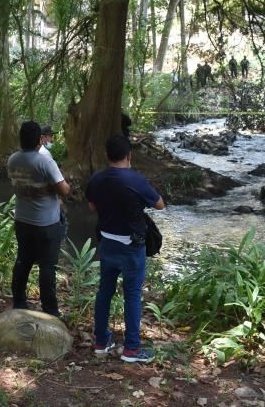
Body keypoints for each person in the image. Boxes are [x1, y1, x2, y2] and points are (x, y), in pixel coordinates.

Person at [86, 135, 166, 363]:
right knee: (132, 294)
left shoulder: (97, 179)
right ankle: (131, 349)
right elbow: (160, 205)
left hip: (107, 243)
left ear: (107, 156)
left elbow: (92, 205)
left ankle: (101, 342)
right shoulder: (136, 179)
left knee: (105, 292)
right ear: (129, 155)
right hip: (131, 247)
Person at [7, 121, 70, 317]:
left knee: (23, 261)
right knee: (47, 265)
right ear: (38, 141)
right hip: (46, 222)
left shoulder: (12, 159)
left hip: (22, 219)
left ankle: (19, 302)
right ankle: (50, 310)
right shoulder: (44, 161)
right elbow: (64, 189)